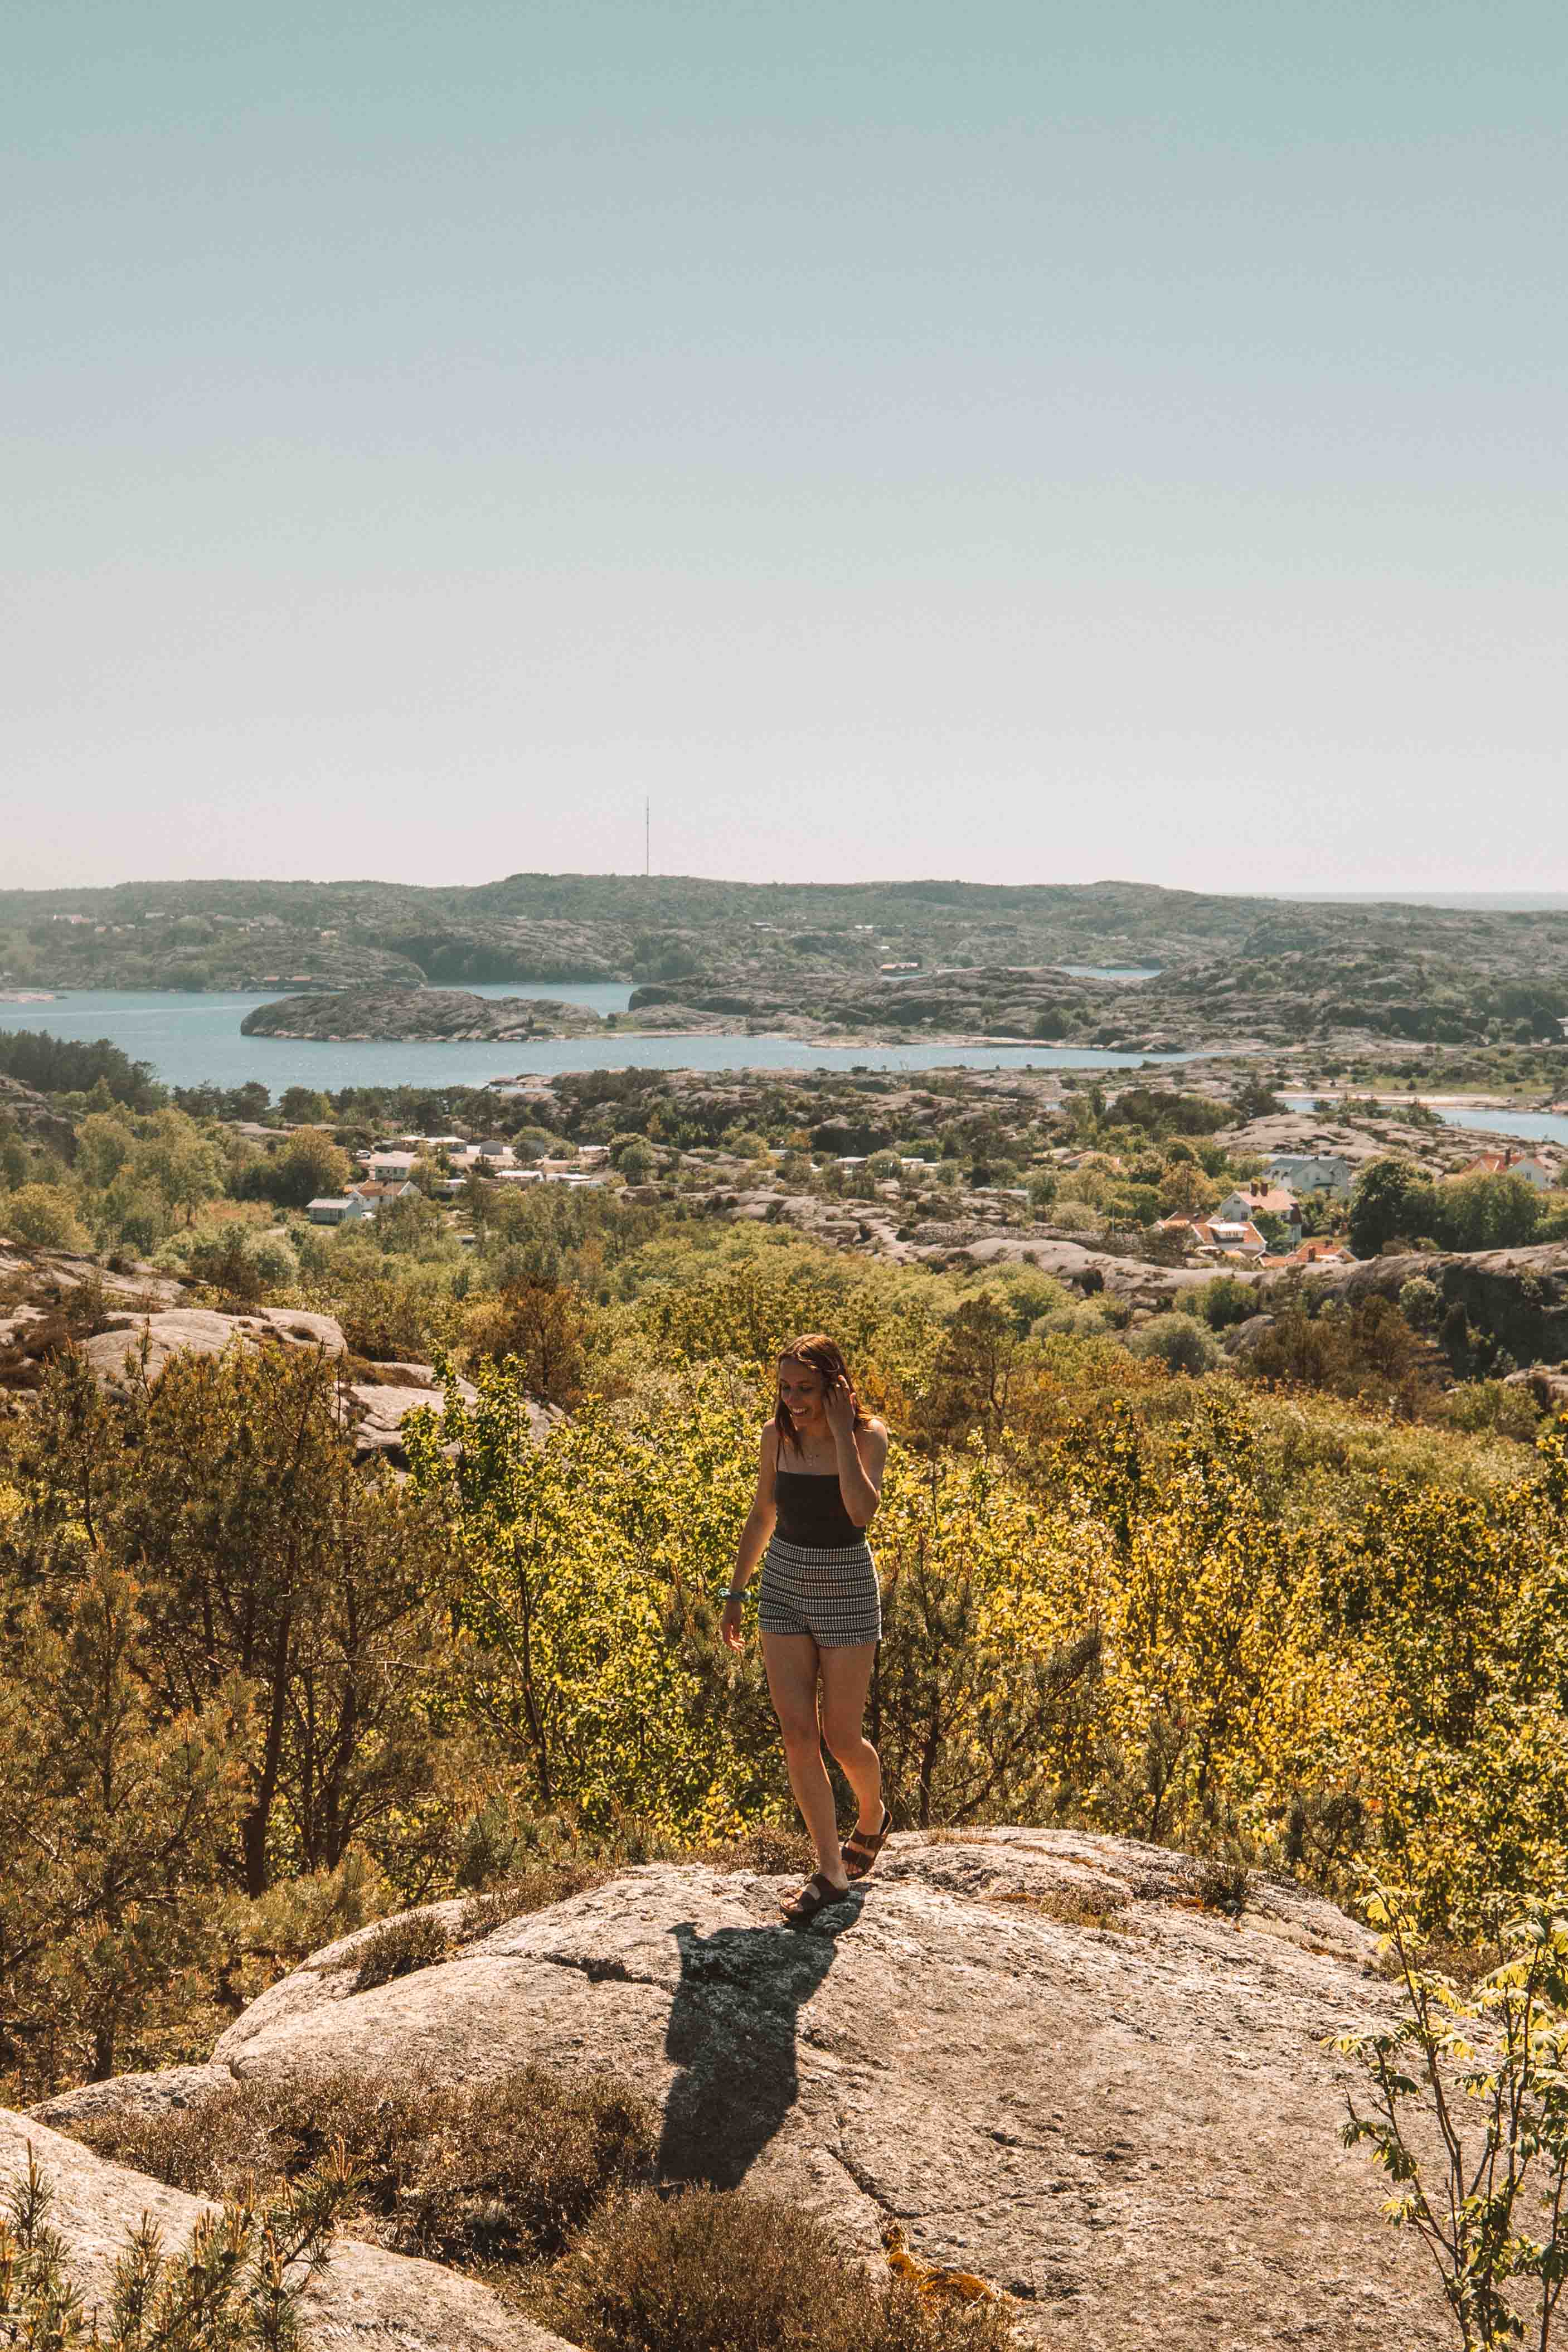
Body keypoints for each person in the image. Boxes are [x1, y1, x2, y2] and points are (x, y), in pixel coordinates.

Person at [721, 1333, 891, 1924]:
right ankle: (830, 1869)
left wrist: (842, 1433)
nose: (792, 1399)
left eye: (806, 1389)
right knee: (796, 1732)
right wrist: (736, 1592)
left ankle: (871, 1816)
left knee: (841, 1737)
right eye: (785, 1387)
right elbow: (763, 1513)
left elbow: (860, 1512)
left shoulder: (868, 1437)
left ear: (835, 1386)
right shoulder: (775, 1438)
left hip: (845, 1583)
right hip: (784, 1582)